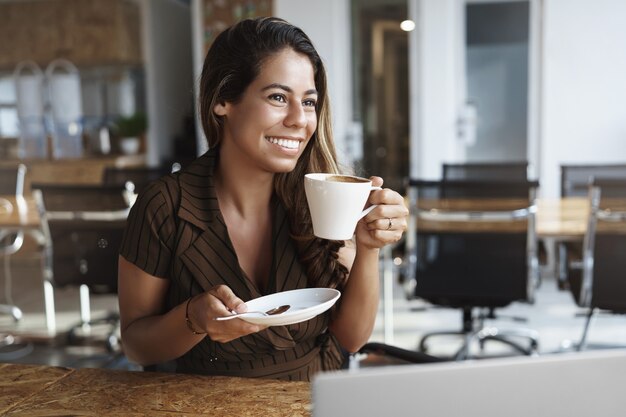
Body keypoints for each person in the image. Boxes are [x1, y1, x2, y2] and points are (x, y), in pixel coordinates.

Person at [118, 16, 408, 381]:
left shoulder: (322, 197)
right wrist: (192, 319)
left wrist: (368, 249)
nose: (298, 119)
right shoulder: (165, 206)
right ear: (224, 100)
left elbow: (350, 339)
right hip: (208, 403)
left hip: (314, 397)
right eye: (277, 97)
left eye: (308, 101)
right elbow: (135, 345)